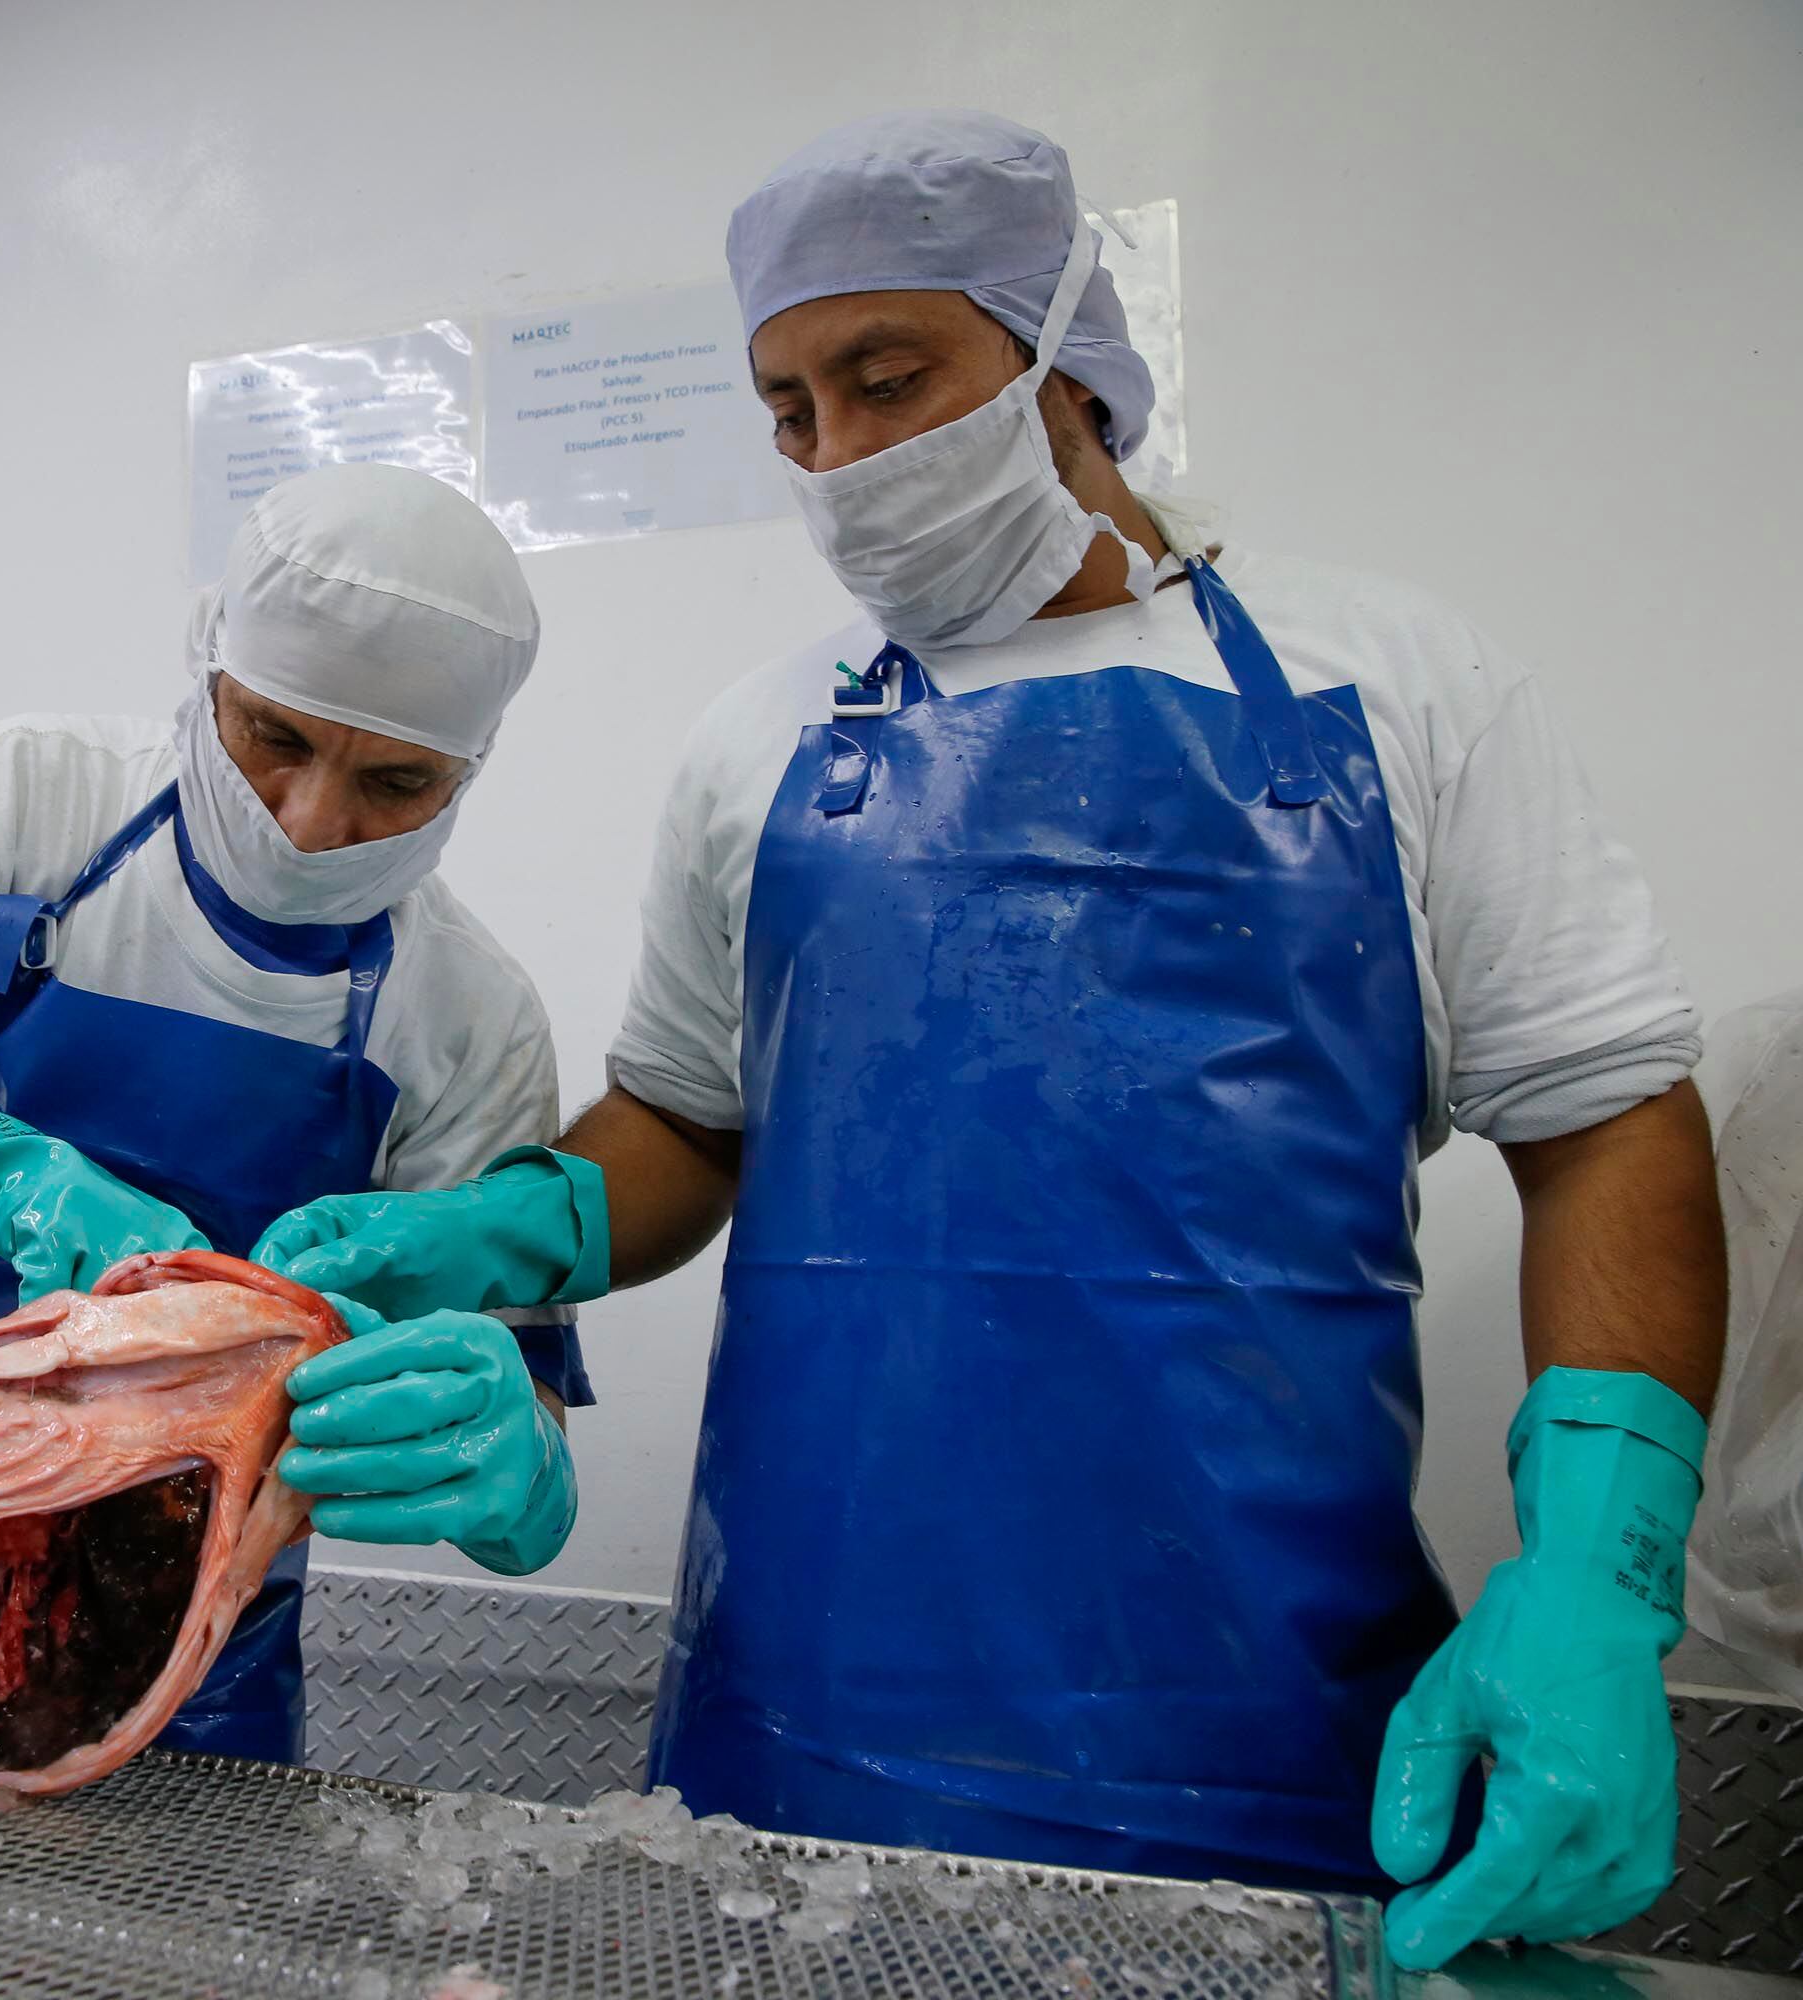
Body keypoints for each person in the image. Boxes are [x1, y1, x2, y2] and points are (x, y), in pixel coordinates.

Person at [254, 112, 1723, 1969]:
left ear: (1063, 361)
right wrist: (509, 1225)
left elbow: (1606, 1117)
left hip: (1268, 1724)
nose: (843, 455)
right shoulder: (762, 740)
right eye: (791, 410)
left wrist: (1598, 1577)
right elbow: (690, 1120)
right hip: (795, 1716)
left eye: (891, 378)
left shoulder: (1391, 676)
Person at [0, 461, 591, 1761]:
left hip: (197, 1681)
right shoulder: (24, 809)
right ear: (206, 673)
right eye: (277, 738)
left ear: (468, 774)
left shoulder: (470, 1013)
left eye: (397, 785)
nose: (312, 823)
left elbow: (525, 1421)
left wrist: (510, 1465)